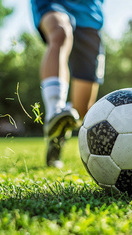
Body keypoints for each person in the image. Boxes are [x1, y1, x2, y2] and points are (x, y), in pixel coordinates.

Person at [31, 0, 105, 168]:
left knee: (81, 111)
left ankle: (56, 137)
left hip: (90, 14)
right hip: (54, 4)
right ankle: (54, 110)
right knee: (60, 32)